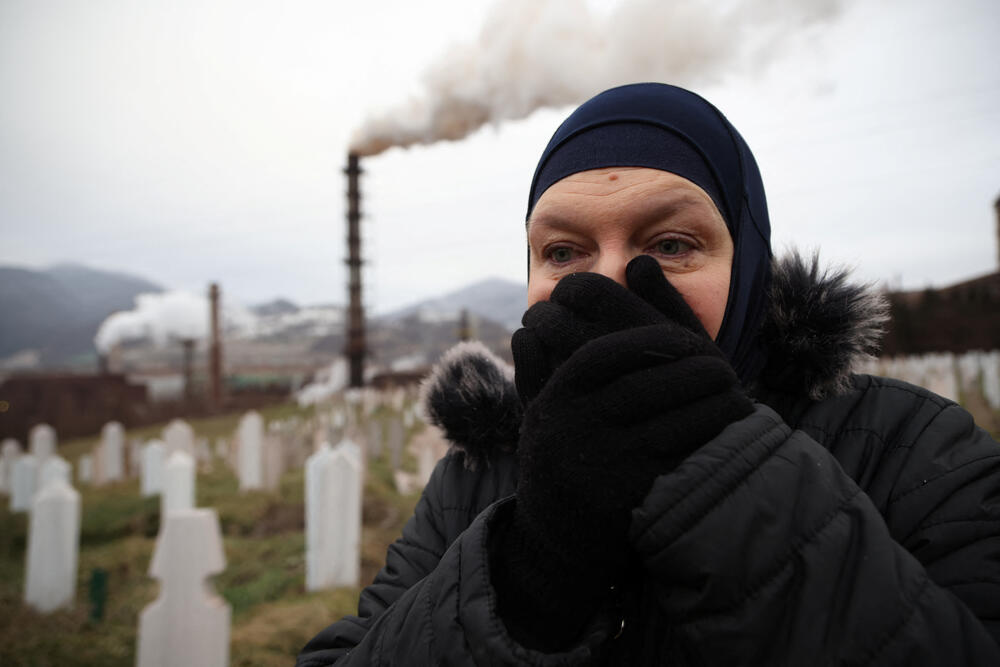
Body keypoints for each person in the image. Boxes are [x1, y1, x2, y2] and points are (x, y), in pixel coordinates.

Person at [297, 83, 1000, 665]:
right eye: (564, 251)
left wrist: (718, 465)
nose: (612, 286)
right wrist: (528, 571)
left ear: (748, 265)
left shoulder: (914, 450)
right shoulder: (479, 474)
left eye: (670, 243)